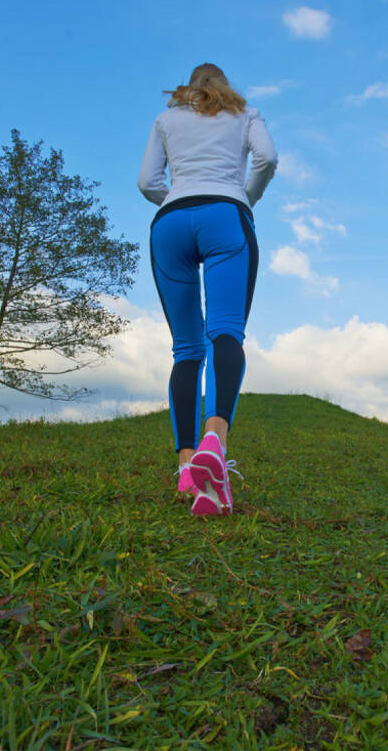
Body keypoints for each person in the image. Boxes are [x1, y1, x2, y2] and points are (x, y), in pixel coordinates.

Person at [138, 63, 277, 516]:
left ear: (190, 85)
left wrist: (179, 198)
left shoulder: (166, 119)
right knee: (225, 332)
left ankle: (187, 470)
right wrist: (244, 197)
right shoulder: (247, 114)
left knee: (186, 350)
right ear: (224, 85)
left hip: (169, 225)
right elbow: (268, 159)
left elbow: (146, 183)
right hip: (226, 216)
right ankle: (213, 443)